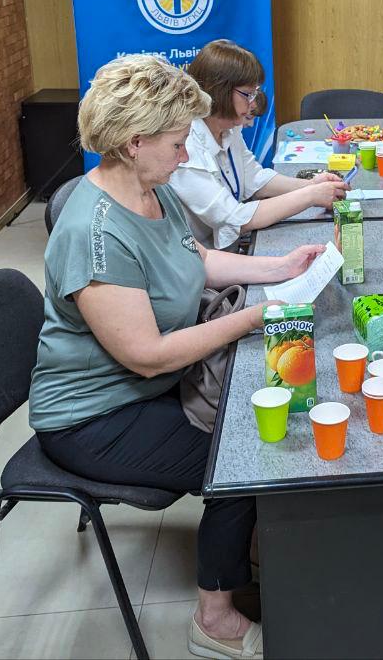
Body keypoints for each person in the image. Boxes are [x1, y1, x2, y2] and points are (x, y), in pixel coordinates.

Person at [28, 54, 326, 660]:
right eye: (174, 143)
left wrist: (278, 268)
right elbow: (148, 356)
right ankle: (213, 620)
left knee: (252, 414)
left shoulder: (148, 188)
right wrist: (253, 315)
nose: (185, 154)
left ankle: (262, 552)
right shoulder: (96, 234)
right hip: (94, 417)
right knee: (245, 458)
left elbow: (194, 258)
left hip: (143, 384)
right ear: (134, 142)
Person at [169, 40, 348, 249]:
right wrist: (309, 196)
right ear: (220, 91)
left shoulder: (228, 127)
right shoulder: (187, 147)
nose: (253, 103)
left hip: (231, 251)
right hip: (207, 264)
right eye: (248, 94)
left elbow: (254, 178)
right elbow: (234, 217)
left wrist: (312, 185)